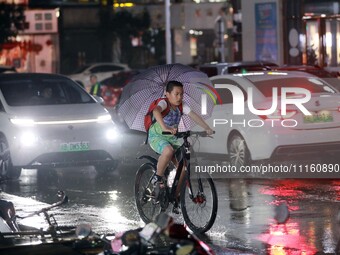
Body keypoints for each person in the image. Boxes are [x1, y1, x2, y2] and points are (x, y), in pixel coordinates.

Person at [148, 80, 214, 213]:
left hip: (173, 137)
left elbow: (194, 115)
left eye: (181, 94)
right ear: (167, 94)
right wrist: (164, 127)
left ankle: (175, 195)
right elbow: (156, 111)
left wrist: (206, 128)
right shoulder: (164, 102)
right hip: (157, 136)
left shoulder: (182, 106)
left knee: (184, 165)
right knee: (168, 151)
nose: (179, 97)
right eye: (176, 94)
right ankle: (158, 178)